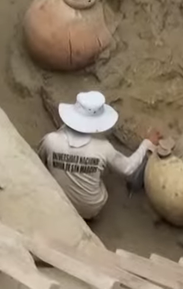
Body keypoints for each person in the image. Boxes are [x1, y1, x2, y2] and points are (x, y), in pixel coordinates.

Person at [37, 90, 160, 220]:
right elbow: (128, 168)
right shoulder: (103, 148)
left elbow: (39, 163)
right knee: (102, 170)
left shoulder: (50, 140)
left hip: (59, 202)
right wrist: (146, 144)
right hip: (90, 209)